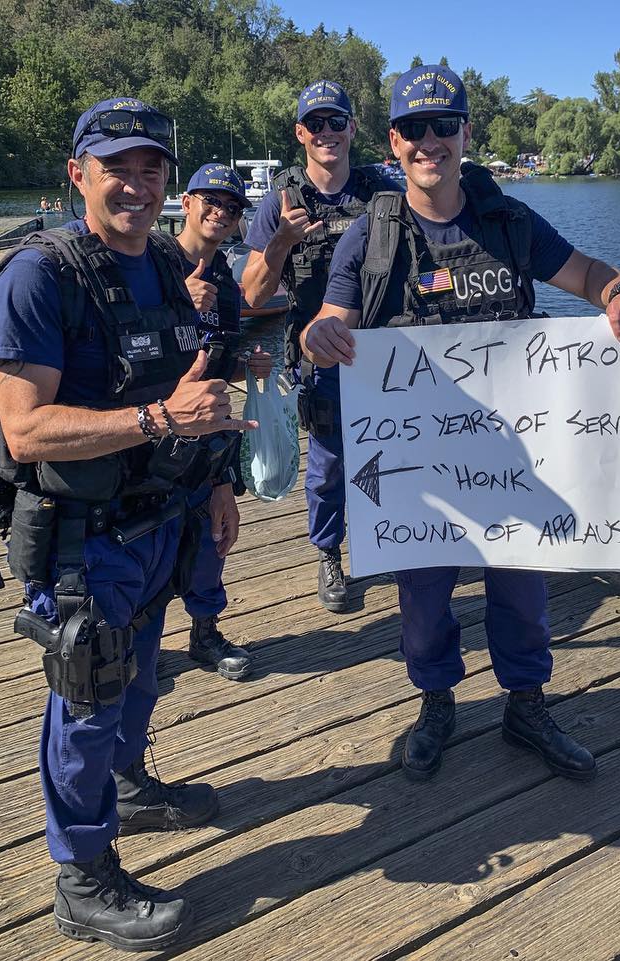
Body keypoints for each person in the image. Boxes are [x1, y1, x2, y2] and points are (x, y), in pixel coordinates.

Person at [300, 65, 620, 784]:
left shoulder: (510, 222)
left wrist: (618, 290)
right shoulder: (370, 238)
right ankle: (436, 702)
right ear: (393, 141)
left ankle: (527, 703)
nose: (429, 141)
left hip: (514, 457)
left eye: (444, 125)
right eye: (414, 128)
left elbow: (587, 274)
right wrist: (318, 337)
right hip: (418, 469)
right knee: (423, 598)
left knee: (523, 589)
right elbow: (327, 323)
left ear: (465, 133)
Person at [0, 97, 258, 951]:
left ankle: (131, 787)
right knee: (88, 699)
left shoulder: (169, 268)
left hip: (159, 521)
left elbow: (194, 385)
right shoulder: (41, 276)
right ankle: (81, 878)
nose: (136, 186)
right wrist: (158, 420)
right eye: (117, 169)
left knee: (139, 681)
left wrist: (216, 480)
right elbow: (25, 429)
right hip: (82, 539)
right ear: (78, 175)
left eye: (151, 169)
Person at [242, 79, 401, 615]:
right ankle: (329, 552)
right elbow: (252, 294)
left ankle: (395, 542)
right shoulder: (282, 200)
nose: (326, 132)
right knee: (329, 465)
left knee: (394, 452)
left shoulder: (383, 191)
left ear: (353, 128)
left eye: (337, 121)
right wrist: (282, 240)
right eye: (316, 123)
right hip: (320, 358)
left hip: (384, 354)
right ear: (300, 133)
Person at [161, 163, 275, 680]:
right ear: (186, 203)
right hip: (151, 428)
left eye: (231, 207)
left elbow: (220, 355)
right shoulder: (152, 264)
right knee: (146, 541)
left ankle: (205, 633)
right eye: (211, 201)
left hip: (207, 434)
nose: (220, 212)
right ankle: (135, 642)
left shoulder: (226, 280)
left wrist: (248, 365)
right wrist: (179, 303)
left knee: (212, 536)